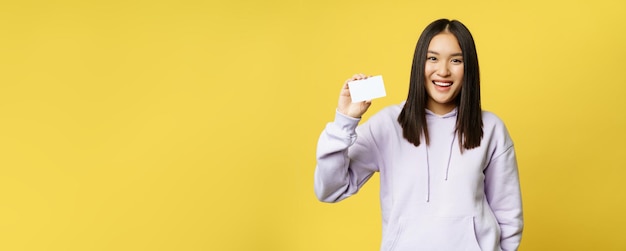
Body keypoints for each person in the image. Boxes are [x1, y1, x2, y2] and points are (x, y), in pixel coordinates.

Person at [314, 19, 523, 251]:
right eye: (432, 58)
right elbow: (329, 189)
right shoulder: (388, 125)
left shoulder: (491, 128)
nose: (443, 71)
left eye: (456, 60)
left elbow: (508, 214)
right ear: (418, 64)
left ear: (469, 68)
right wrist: (345, 121)